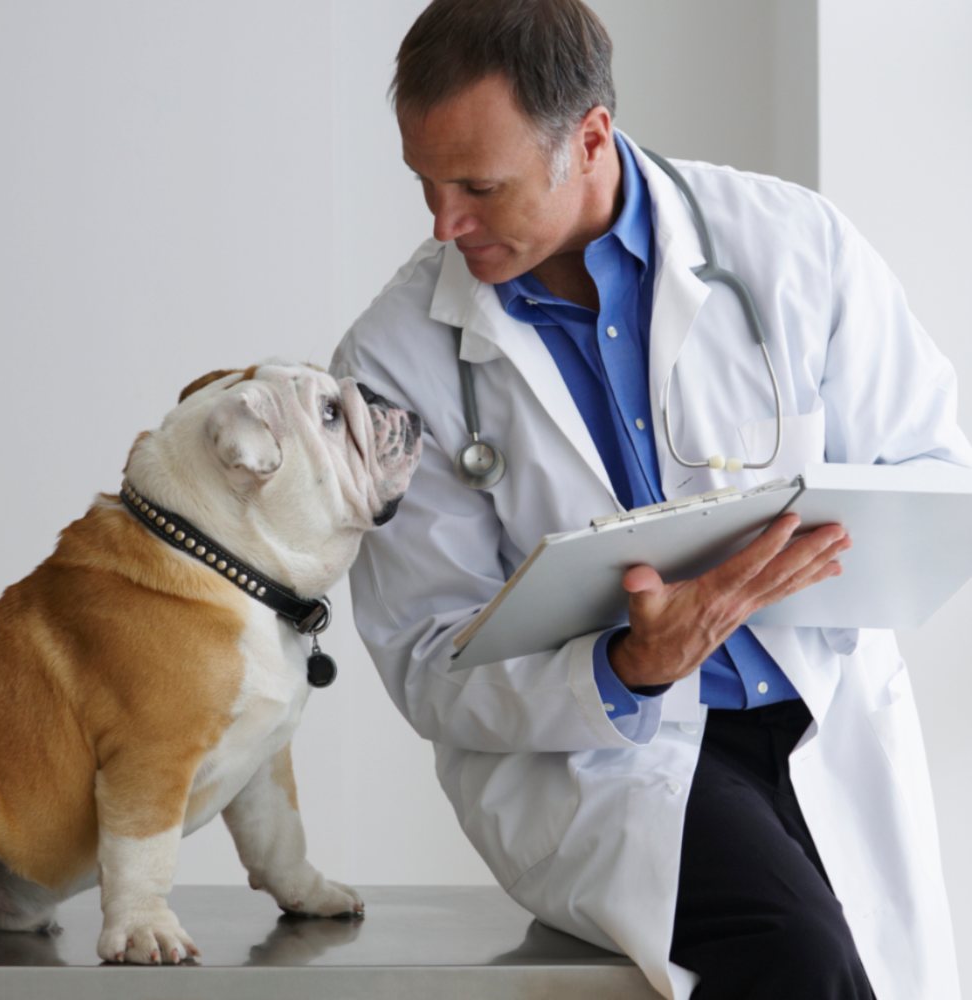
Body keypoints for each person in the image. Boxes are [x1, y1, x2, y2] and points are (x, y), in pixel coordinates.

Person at [330, 1, 969, 997]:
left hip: (818, 708)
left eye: (477, 186)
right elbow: (427, 659)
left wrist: (809, 548)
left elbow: (934, 471)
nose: (442, 224)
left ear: (588, 136)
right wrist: (626, 666)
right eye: (424, 181)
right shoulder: (394, 359)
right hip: (598, 755)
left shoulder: (791, 245)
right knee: (796, 960)